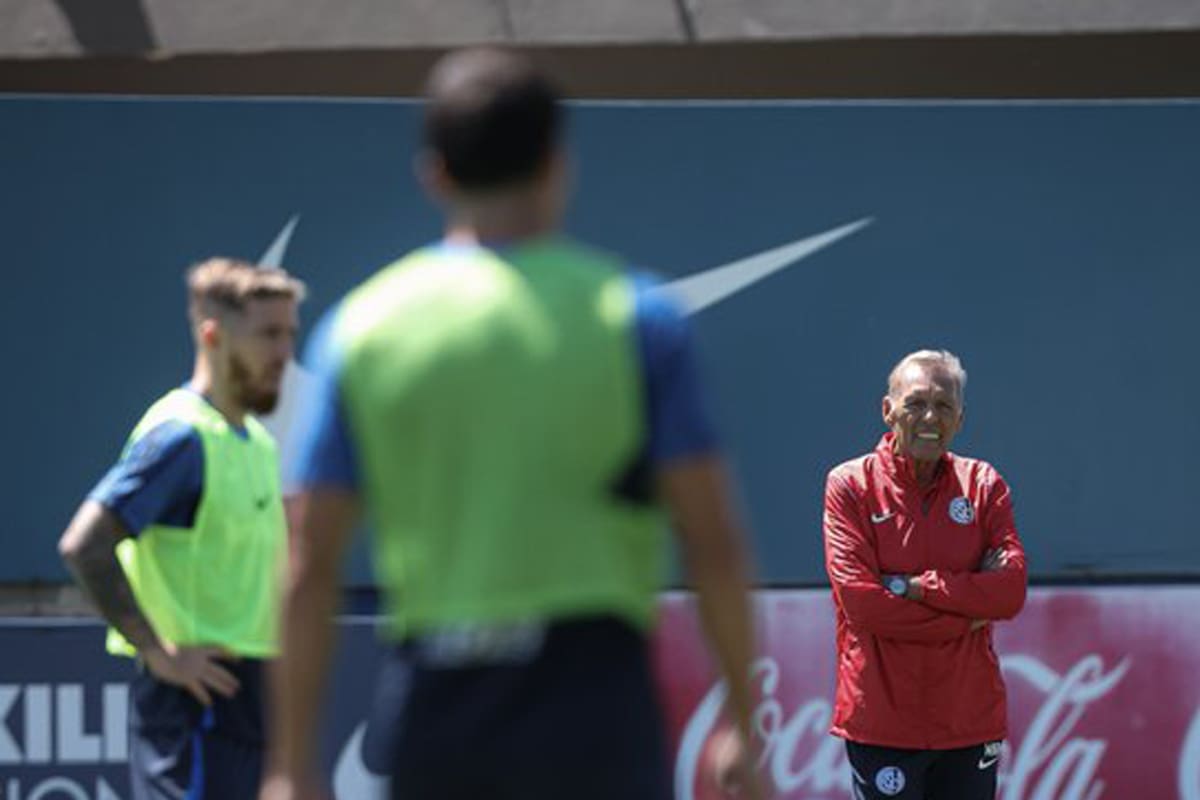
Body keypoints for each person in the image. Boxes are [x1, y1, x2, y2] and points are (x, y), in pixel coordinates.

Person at [261, 47, 762, 800]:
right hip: (596, 707)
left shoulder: (360, 332)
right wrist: (743, 722)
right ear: (558, 165)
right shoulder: (637, 317)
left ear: (434, 174)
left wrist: (290, 766)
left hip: (440, 711)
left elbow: (309, 563)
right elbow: (713, 541)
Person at [58, 258, 304, 799]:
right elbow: (86, 544)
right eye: (268, 334)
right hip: (195, 713)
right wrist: (159, 652)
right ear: (213, 336)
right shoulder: (181, 438)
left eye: (289, 334)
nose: (284, 352)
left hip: (248, 711)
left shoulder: (258, 444)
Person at [823, 349, 1027, 799]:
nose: (930, 417)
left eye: (943, 406)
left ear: (960, 420)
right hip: (883, 722)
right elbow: (864, 607)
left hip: (969, 721)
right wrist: (966, 615)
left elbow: (1010, 591)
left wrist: (915, 587)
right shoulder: (850, 485)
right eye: (915, 403)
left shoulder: (984, 484)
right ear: (888, 410)